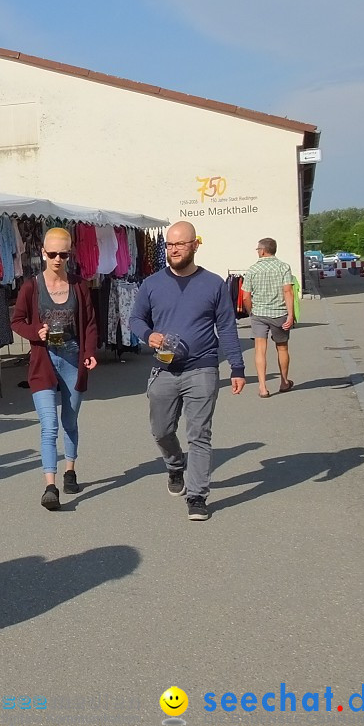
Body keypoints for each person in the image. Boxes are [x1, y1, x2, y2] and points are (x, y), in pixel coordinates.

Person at [129, 222, 245, 521]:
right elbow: (136, 319)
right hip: (164, 369)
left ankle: (197, 496)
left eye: (180, 244)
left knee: (200, 434)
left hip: (202, 368)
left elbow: (227, 327)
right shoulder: (152, 284)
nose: (174, 249)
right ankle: (173, 463)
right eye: (169, 245)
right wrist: (148, 335)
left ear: (195, 245)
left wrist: (236, 366)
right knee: (162, 430)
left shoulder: (214, 284)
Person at [10, 227, 98, 511]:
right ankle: (50, 485)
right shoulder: (31, 287)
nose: (58, 259)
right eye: (52, 254)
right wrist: (37, 332)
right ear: (42, 253)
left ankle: (70, 470)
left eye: (64, 254)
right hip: (43, 362)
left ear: (70, 254)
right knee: (49, 426)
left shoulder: (79, 286)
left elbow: (89, 325)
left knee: (69, 422)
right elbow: (17, 321)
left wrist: (89, 353)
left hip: (73, 359)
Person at [241, 238, 295, 397]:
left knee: (260, 349)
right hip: (279, 313)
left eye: (258, 249)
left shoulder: (252, 269)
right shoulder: (284, 267)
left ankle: (263, 387)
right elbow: (288, 291)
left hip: (259, 314)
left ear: (263, 250)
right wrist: (290, 315)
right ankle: (284, 382)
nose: (257, 251)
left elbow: (245, 296)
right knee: (282, 347)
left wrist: (251, 312)